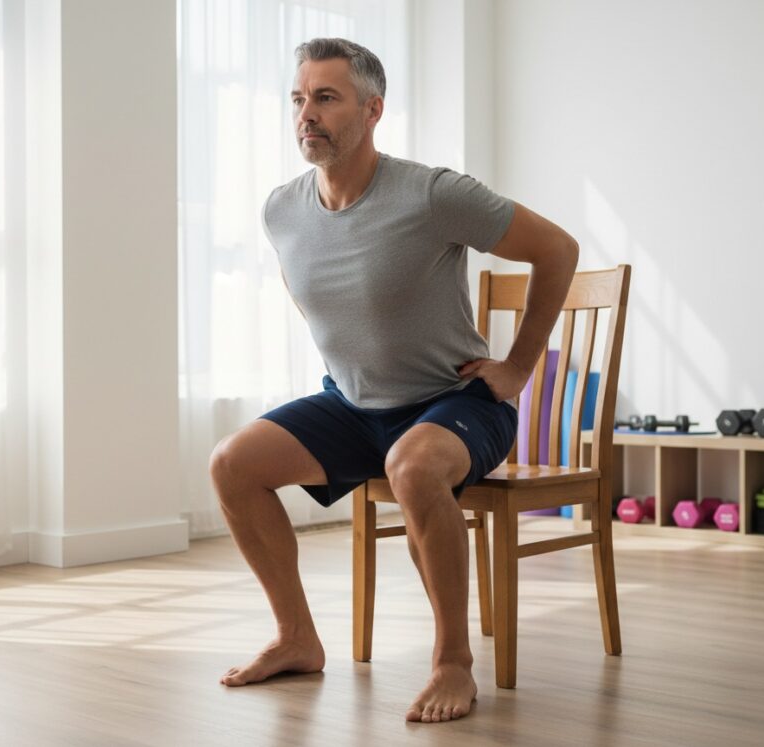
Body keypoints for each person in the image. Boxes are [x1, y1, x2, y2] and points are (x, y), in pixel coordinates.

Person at [209, 37, 578, 724]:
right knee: (232, 464)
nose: (306, 115)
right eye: (298, 98)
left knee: (412, 467)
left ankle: (452, 661)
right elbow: (314, 292)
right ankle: (296, 636)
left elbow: (557, 249)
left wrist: (519, 365)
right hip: (352, 403)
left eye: (326, 97)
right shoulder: (281, 209)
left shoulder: (433, 193)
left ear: (373, 109)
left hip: (456, 400)